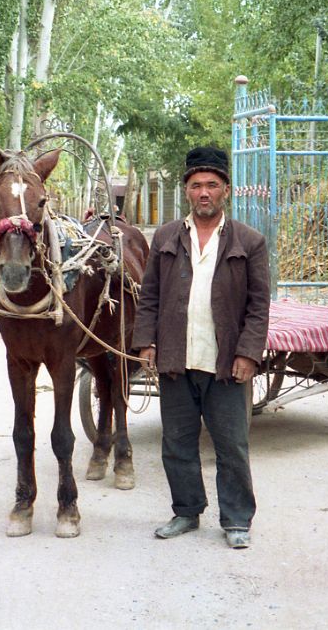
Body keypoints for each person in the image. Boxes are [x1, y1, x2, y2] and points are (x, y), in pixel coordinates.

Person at [132, 146, 270, 550]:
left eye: (212, 184)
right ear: (187, 191)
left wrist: (247, 353)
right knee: (176, 441)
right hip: (177, 357)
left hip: (226, 362)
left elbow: (259, 307)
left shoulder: (250, 242)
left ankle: (237, 519)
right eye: (196, 185)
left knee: (231, 445)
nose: (204, 192)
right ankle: (186, 511)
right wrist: (147, 342)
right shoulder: (166, 238)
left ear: (226, 189)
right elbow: (150, 296)